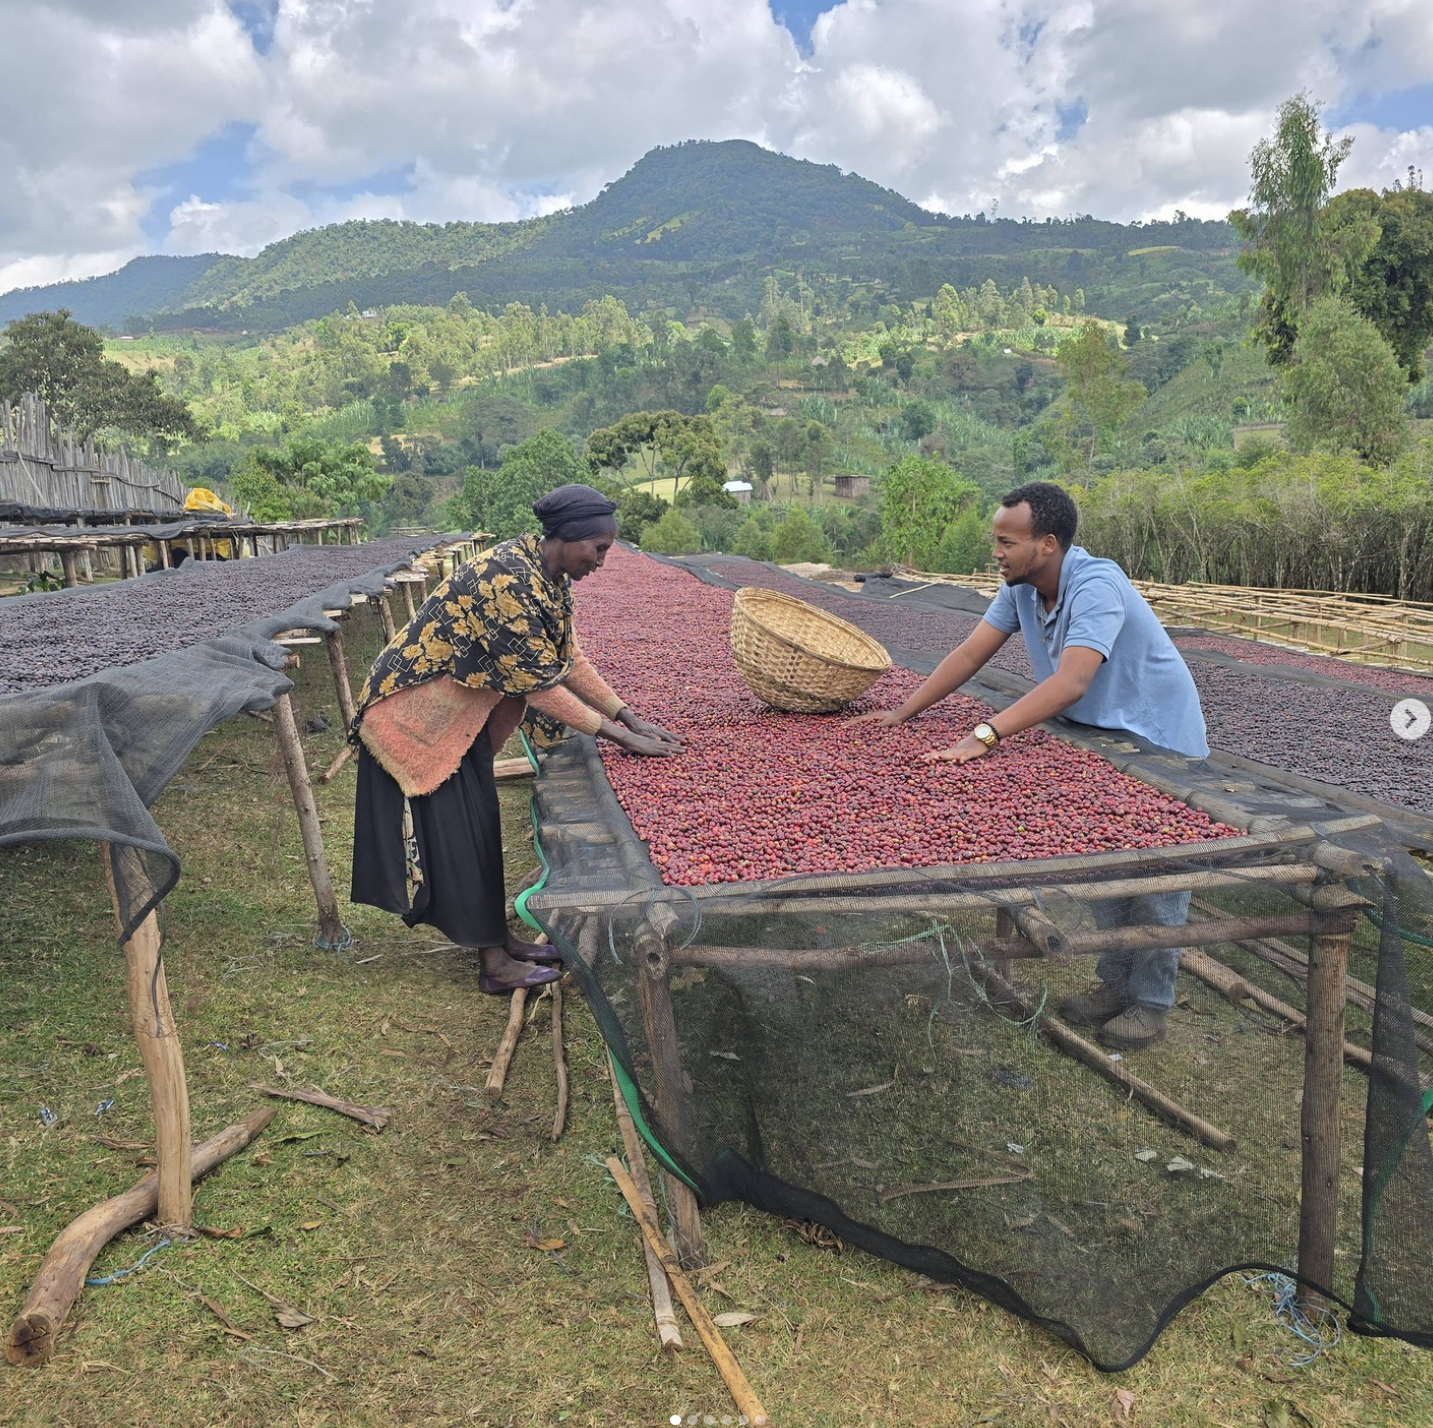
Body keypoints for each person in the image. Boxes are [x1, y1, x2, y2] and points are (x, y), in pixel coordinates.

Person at [853, 481, 1208, 1050]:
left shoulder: (1097, 586)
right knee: (1104, 864)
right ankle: (1115, 984)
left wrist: (986, 734)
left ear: (1047, 544)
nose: (996, 552)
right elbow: (971, 653)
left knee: (1156, 876)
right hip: (1096, 734)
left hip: (1155, 737)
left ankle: (1151, 1005)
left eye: (1005, 542)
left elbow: (1071, 681)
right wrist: (903, 711)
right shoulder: (1019, 589)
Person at [350, 483, 685, 994]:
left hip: (457, 718)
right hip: (418, 717)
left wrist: (628, 715)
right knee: (458, 838)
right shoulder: (505, 580)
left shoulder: (548, 578)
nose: (600, 561)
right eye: (598, 550)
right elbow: (538, 684)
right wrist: (616, 735)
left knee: (481, 825)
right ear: (569, 538)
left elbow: (566, 659)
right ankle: (493, 965)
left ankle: (499, 939)